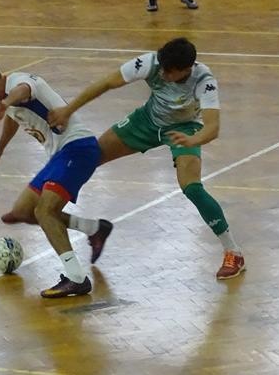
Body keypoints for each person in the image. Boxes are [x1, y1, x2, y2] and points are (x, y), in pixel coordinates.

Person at [48, 38, 244, 280]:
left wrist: (192, 141)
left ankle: (233, 252)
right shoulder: (151, 63)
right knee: (88, 158)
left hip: (185, 130)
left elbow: (212, 128)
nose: (162, 74)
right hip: (146, 121)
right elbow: (107, 82)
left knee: (192, 188)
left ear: (186, 69)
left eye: (169, 72)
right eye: (162, 68)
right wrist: (68, 110)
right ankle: (74, 220)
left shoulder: (204, 81)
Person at [0, 58, 112, 298]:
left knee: (45, 211)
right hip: (60, 155)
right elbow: (14, 117)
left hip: (78, 149)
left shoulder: (18, 83)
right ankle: (94, 228)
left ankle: (76, 278)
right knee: (23, 212)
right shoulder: (9, 99)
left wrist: (5, 103)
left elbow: (24, 91)